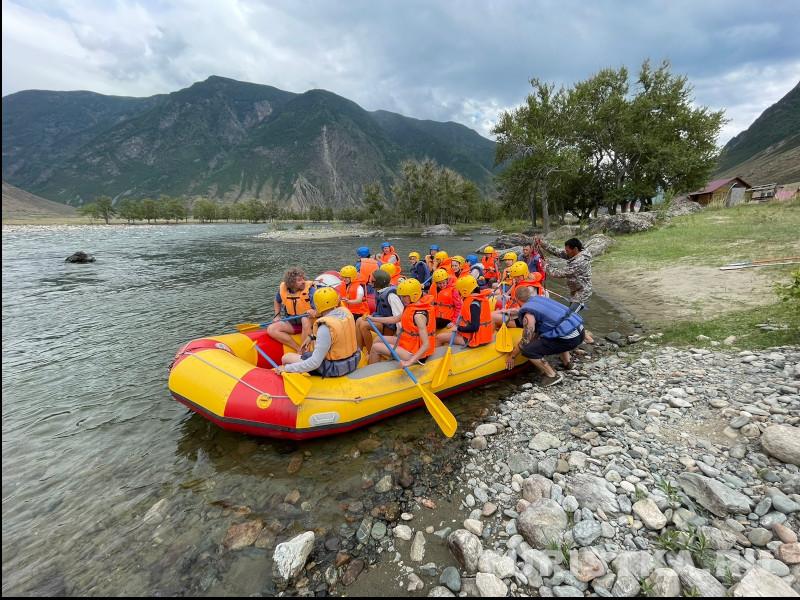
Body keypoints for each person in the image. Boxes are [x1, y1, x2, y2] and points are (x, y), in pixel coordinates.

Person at [503, 285, 585, 387]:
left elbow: (525, 341)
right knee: (556, 330)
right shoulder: (540, 299)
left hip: (570, 339)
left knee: (528, 350)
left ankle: (552, 375)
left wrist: (512, 356)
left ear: (516, 299)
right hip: (580, 331)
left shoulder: (528, 315)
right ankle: (567, 363)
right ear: (529, 294)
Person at [278, 287, 361, 377]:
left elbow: (315, 363)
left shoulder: (325, 326)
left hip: (335, 369)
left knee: (286, 358)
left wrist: (287, 368)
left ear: (317, 305)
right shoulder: (346, 313)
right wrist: (312, 336)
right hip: (353, 362)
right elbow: (338, 333)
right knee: (308, 354)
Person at [535, 236, 594, 343]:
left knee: (569, 316)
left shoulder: (580, 261)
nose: (566, 252)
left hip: (582, 292)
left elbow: (559, 273)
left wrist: (546, 266)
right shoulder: (575, 253)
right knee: (571, 314)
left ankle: (577, 338)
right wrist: (543, 244)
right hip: (575, 290)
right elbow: (558, 252)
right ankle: (581, 335)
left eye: (568, 250)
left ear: (575, 249)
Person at [368, 278, 436, 367]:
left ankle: (371, 373)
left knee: (375, 347)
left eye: (404, 296)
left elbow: (426, 344)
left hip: (415, 353)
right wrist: (373, 319)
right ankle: (376, 362)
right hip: (408, 343)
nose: (401, 299)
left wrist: (409, 362)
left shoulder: (418, 316)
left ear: (414, 296)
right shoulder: (412, 306)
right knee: (377, 339)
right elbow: (395, 319)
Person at [435, 275, 494, 348]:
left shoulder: (474, 304)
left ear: (465, 291)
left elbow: (475, 327)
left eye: (459, 290)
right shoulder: (478, 298)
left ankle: (433, 359)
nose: (458, 293)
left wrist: (458, 328)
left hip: (473, 338)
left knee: (439, 338)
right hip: (475, 335)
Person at [267, 267, 316, 352]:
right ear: (292, 283)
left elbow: (319, 310)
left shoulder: (311, 290)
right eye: (299, 280)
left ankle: (306, 350)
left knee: (305, 319)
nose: (303, 281)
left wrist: (314, 311)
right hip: (293, 322)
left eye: (303, 279)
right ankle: (298, 349)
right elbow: (277, 301)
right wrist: (277, 315)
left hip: (311, 323)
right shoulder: (284, 289)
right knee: (271, 329)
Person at [356, 268, 403, 352]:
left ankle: (371, 352)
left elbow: (399, 315)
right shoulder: (380, 291)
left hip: (390, 327)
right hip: (382, 320)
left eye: (372, 281)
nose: (370, 282)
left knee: (364, 325)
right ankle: (359, 349)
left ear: (379, 282)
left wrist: (399, 333)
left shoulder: (391, 295)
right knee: (359, 320)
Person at [491, 261, 544, 327]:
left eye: (518, 277)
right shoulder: (521, 281)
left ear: (525, 274)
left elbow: (528, 309)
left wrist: (507, 311)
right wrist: (507, 298)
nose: (516, 279)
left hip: (522, 318)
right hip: (517, 312)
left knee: (492, 316)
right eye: (515, 277)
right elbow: (518, 299)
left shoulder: (529, 289)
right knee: (498, 303)